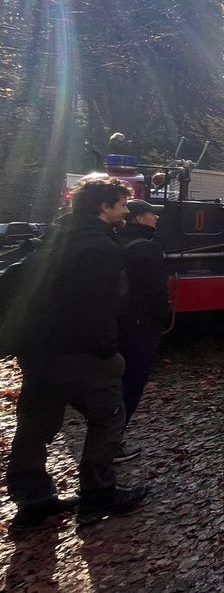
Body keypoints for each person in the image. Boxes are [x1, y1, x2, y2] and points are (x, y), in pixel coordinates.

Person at [5, 177, 149, 536]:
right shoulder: (99, 247)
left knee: (34, 426)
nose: (126, 209)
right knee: (109, 416)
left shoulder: (55, 237)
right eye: (121, 203)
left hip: (37, 351)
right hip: (81, 351)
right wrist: (108, 351)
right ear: (103, 208)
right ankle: (99, 493)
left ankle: (32, 501)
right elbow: (100, 307)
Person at [114, 199, 169, 463]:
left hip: (115, 323)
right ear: (138, 218)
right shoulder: (146, 249)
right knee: (132, 381)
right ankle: (111, 443)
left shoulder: (114, 240)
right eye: (151, 214)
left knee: (115, 380)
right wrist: (161, 319)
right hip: (140, 325)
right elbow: (157, 292)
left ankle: (108, 440)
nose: (156, 218)